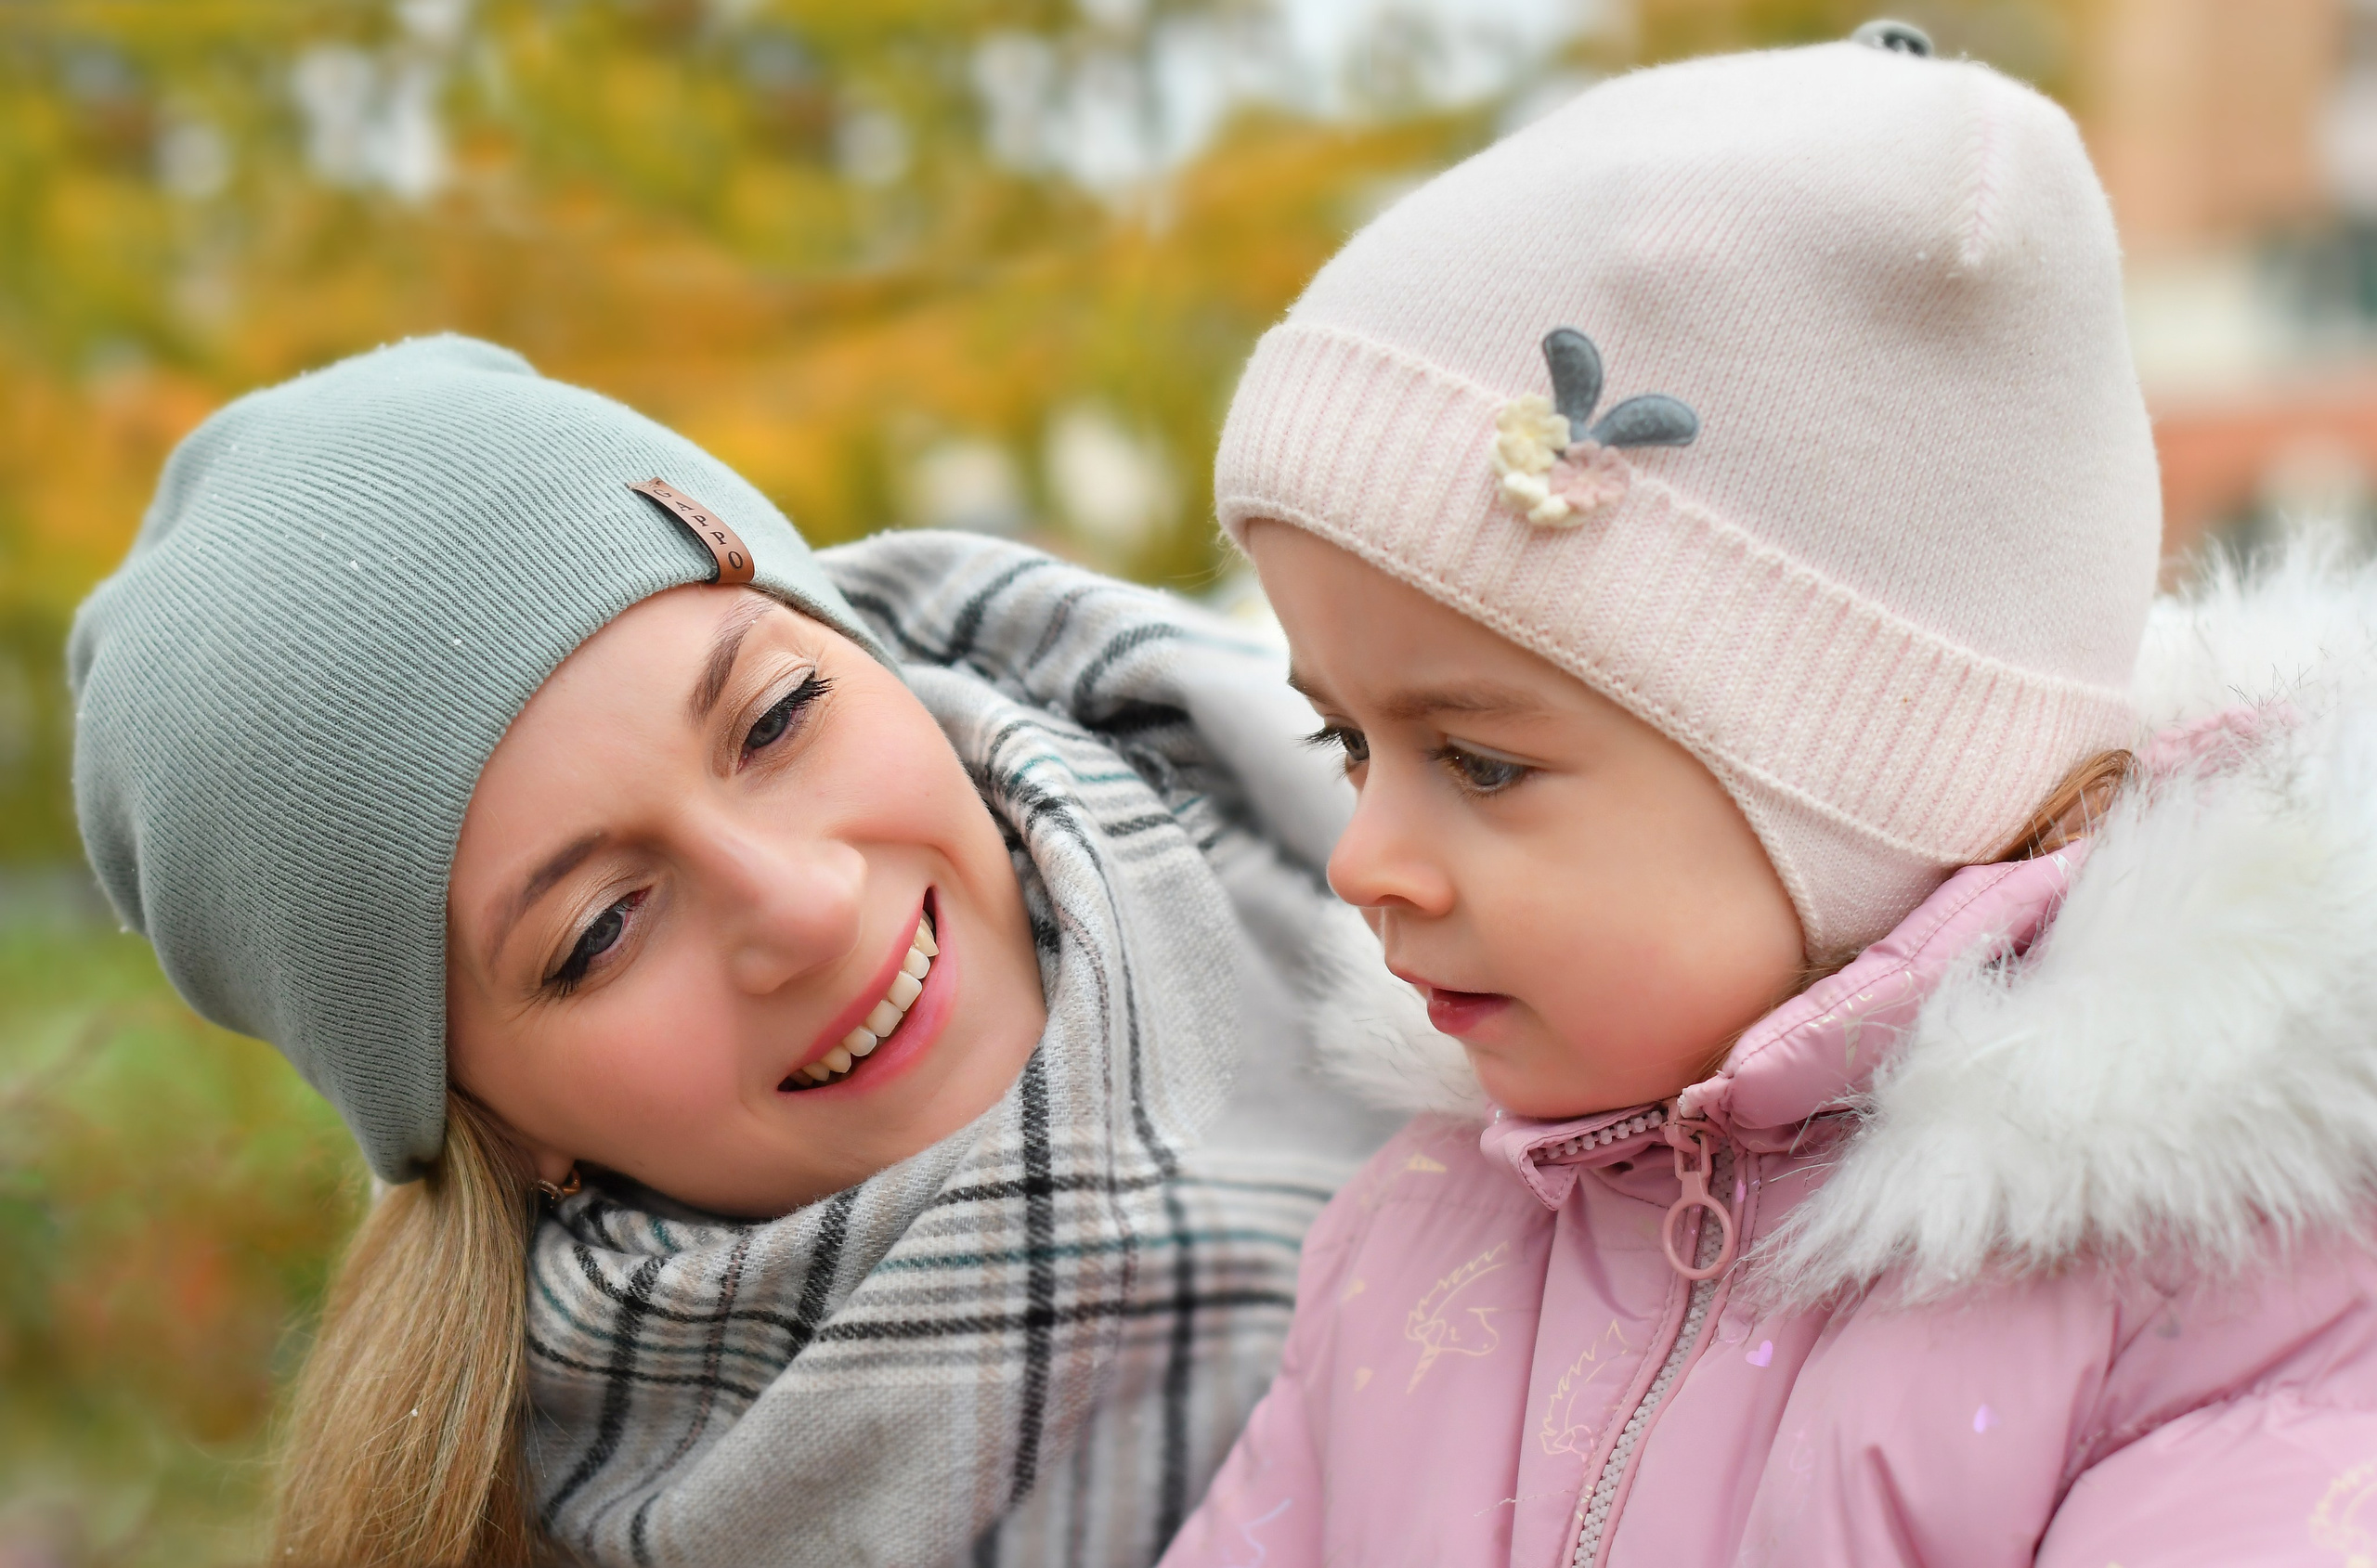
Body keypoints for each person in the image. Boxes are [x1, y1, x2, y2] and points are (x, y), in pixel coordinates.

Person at [1159, 29, 2377, 1568]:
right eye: (1347, 741)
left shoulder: (2224, 1294)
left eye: (1479, 760)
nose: (1365, 859)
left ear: (1876, 783)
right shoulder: (1415, 1245)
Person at [66, 336, 1431, 1567]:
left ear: (860, 648)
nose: (809, 908)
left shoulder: (1503, 844)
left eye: (776, 719)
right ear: (488, 1117)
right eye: (599, 930)